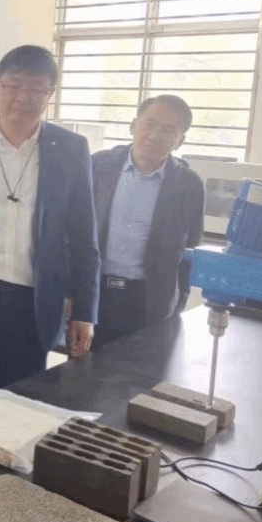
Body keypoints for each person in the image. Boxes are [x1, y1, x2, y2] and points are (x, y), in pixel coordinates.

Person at [0, 45, 100, 406]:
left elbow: (83, 236)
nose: (23, 97)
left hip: (32, 304)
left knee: (20, 409)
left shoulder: (71, 149)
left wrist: (85, 313)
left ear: (50, 93)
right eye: (13, 86)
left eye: (35, 88)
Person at [90, 94, 204, 351]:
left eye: (168, 130)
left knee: (141, 370)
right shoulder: (97, 166)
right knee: (81, 370)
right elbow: (72, 231)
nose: (154, 135)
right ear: (133, 126)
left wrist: (177, 305)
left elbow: (191, 252)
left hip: (149, 300)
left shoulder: (189, 184)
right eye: (149, 123)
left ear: (180, 141)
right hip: (94, 294)